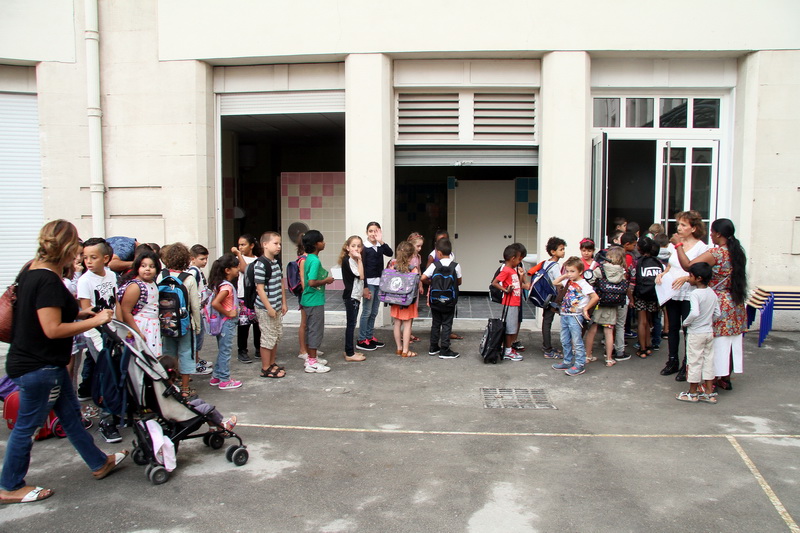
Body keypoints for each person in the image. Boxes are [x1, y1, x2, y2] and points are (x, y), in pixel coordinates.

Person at [0, 220, 127, 505]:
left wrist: (82, 314)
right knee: (27, 427)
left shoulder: (32, 270)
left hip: (44, 365)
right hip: (39, 367)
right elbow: (52, 329)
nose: (80, 254)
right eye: (77, 246)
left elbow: (44, 314)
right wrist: (95, 320)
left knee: (71, 418)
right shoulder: (46, 279)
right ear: (68, 247)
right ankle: (9, 486)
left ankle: (99, 462)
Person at [672, 218, 747, 392]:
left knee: (714, 344)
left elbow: (689, 266)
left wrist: (678, 245)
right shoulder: (737, 252)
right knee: (729, 343)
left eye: (712, 232)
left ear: (719, 234)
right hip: (735, 302)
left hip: (718, 301)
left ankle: (710, 381)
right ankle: (725, 378)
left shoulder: (717, 253)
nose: (711, 235)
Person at [77, 237, 121, 442]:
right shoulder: (85, 281)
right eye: (85, 257)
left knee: (117, 371)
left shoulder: (111, 275)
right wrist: (98, 336)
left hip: (113, 331)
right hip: (96, 334)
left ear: (105, 258)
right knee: (106, 374)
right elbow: (86, 312)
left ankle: (117, 409)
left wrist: (122, 328)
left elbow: (115, 302)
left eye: (93, 257)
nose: (88, 261)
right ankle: (106, 419)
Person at [656, 210, 710, 378]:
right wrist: (662, 274)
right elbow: (672, 264)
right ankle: (672, 360)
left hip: (689, 293)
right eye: (678, 224)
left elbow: (699, 270)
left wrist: (687, 278)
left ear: (693, 228)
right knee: (672, 327)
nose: (679, 228)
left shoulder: (701, 247)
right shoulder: (675, 245)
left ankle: (687, 364)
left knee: (687, 329)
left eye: (683, 225)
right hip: (672, 292)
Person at [159, 243, 202, 398]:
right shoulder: (189, 279)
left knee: (168, 353)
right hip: (184, 323)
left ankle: (168, 384)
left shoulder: (161, 275)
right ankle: (185, 388)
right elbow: (195, 305)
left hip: (165, 322)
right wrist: (197, 325)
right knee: (186, 353)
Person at [675, 263, 720, 403]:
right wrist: (708, 321)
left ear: (698, 278)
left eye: (691, 276)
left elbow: (694, 312)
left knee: (694, 361)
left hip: (696, 332)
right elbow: (717, 313)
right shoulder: (712, 293)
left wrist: (686, 322)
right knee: (708, 361)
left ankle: (693, 392)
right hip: (708, 331)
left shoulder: (695, 294)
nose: (689, 278)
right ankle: (709, 392)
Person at [158, 355, 237, 430]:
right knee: (207, 408)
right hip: (180, 415)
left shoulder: (161, 387)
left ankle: (213, 428)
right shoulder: (171, 389)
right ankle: (222, 427)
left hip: (173, 411)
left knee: (200, 402)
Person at [551, 257, 599, 376]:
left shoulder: (584, 284)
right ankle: (567, 361)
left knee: (577, 341)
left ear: (580, 271)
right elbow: (555, 282)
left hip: (575, 316)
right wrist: (565, 276)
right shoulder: (568, 282)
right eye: (568, 271)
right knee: (564, 340)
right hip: (565, 314)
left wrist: (586, 308)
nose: (570, 274)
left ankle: (579, 364)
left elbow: (595, 297)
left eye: (572, 271)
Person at [584, 247, 627, 367]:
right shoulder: (621, 271)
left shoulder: (601, 269)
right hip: (612, 305)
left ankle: (588, 356)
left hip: (598, 303)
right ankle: (608, 359)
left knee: (592, 330)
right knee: (609, 332)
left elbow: (590, 280)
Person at [116, 249, 162, 358]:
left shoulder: (152, 283)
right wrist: (137, 333)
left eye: (152, 266)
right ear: (137, 267)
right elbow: (125, 311)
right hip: (140, 326)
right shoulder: (135, 286)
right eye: (143, 266)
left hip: (152, 326)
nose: (148, 269)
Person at [207, 253, 243, 390]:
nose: (238, 269)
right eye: (236, 267)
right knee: (225, 351)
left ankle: (217, 376)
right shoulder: (226, 287)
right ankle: (224, 379)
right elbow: (215, 303)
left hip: (221, 323)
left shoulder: (220, 284)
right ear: (227, 270)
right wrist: (229, 313)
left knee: (223, 350)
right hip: (227, 323)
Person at [254, 232, 288, 378]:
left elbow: (281, 283)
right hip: (265, 308)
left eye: (280, 243)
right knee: (267, 337)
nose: (278, 246)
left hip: (277, 306)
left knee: (275, 336)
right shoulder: (261, 264)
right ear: (265, 245)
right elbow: (259, 288)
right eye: (275, 243)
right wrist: (269, 308)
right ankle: (265, 367)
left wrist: (283, 303)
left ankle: (272, 363)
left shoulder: (276, 263)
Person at [422, 238, 462, 359]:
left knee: (436, 323)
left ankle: (433, 347)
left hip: (435, 300)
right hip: (449, 300)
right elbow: (459, 282)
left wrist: (432, 283)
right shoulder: (456, 266)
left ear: (438, 253)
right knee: (447, 324)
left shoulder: (434, 265)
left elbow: (423, 278)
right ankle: (445, 349)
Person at [301, 230, 334, 373]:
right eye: (321, 241)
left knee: (310, 329)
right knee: (315, 330)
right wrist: (326, 280)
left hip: (308, 299)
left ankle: (310, 358)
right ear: (316, 244)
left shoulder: (309, 258)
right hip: (314, 300)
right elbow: (312, 282)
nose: (324, 243)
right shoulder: (315, 261)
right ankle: (312, 362)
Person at [491, 244, 531, 362]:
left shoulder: (513, 270)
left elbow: (517, 284)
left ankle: (508, 349)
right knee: (510, 328)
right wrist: (505, 290)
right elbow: (495, 283)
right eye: (519, 259)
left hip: (515, 302)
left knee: (512, 327)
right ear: (513, 258)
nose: (520, 261)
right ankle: (507, 351)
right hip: (510, 303)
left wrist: (521, 276)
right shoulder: (506, 270)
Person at [357, 222, 392, 352]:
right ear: (366, 232)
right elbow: (362, 268)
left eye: (375, 231)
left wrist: (381, 241)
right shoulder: (364, 248)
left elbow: (390, 253)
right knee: (367, 311)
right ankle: (362, 339)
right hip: (369, 283)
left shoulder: (379, 246)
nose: (373, 234)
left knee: (374, 311)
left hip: (379, 283)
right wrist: (365, 286)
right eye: (370, 231)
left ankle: (369, 336)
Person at [631, 237, 664, 358]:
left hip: (641, 294)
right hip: (654, 294)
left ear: (639, 248)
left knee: (642, 321)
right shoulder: (658, 262)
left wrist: (632, 297)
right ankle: (649, 344)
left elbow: (633, 280)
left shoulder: (637, 262)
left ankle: (642, 348)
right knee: (649, 321)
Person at [231, 234, 262, 363]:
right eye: (239, 245)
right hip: (243, 296)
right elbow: (243, 269)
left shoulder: (258, 260)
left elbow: (248, 269)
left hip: (256, 295)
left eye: (243, 245)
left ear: (252, 246)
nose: (240, 247)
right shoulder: (238, 259)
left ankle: (259, 348)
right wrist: (239, 254)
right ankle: (242, 350)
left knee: (258, 324)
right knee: (243, 324)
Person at [339, 235, 367, 362]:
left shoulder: (354, 260)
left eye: (359, 246)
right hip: (351, 296)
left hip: (355, 296)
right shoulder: (348, 260)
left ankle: (349, 350)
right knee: (351, 324)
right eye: (353, 246)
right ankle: (349, 353)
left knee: (352, 323)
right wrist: (360, 259)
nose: (356, 248)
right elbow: (361, 276)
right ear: (347, 248)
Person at [390, 241, 420, 358]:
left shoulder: (393, 266)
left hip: (395, 300)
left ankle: (399, 348)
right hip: (407, 301)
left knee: (397, 323)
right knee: (407, 325)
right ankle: (406, 351)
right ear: (412, 255)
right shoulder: (413, 269)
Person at [539, 236, 565, 359]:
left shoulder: (546, 263)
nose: (563, 252)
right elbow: (558, 282)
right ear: (553, 251)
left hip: (545, 295)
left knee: (546, 320)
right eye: (561, 249)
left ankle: (547, 346)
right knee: (547, 321)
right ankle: (547, 350)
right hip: (552, 296)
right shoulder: (554, 266)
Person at [188, 244, 212, 375]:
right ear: (193, 258)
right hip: (197, 310)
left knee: (199, 336)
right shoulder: (193, 272)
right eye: (202, 259)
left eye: (206, 258)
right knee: (197, 336)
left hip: (201, 309)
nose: (205, 261)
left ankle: (197, 359)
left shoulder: (197, 270)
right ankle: (194, 362)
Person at [407, 232, 425, 343]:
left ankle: (409, 332)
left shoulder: (418, 257)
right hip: (408, 287)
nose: (420, 248)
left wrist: (421, 284)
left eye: (421, 246)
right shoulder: (407, 256)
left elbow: (419, 270)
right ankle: (404, 333)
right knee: (406, 311)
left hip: (415, 287)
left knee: (413, 310)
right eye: (418, 246)